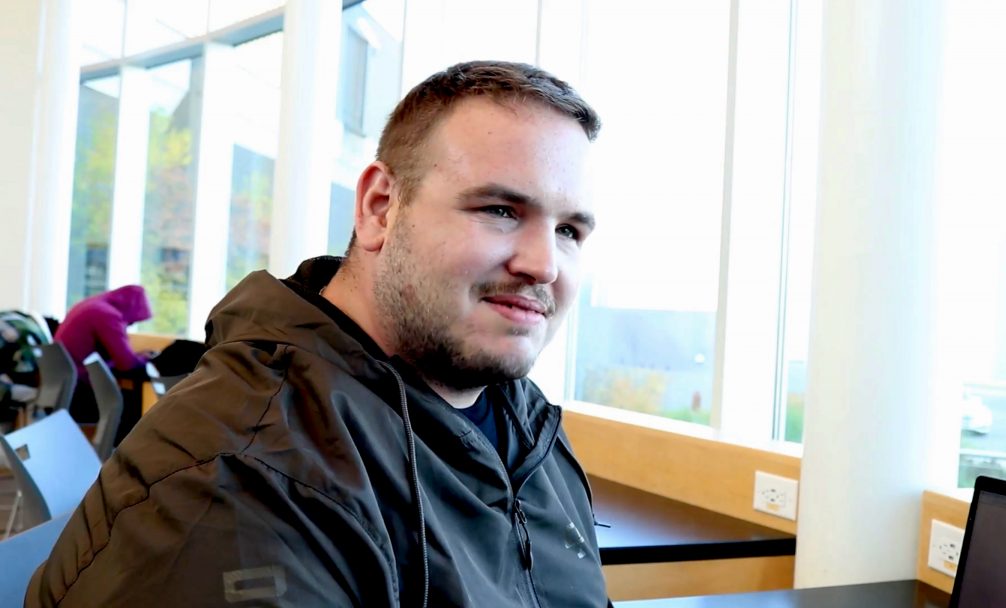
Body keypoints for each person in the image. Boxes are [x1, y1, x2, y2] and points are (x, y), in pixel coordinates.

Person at [27, 61, 608, 607]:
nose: (544, 264)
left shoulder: (526, 428)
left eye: (570, 231)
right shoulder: (239, 481)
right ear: (380, 208)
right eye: (501, 210)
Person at [53, 284, 153, 423]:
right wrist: (146, 359)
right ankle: (120, 445)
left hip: (62, 387)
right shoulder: (107, 315)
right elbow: (126, 363)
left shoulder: (91, 305)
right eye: (133, 321)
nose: (129, 324)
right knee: (133, 406)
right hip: (80, 393)